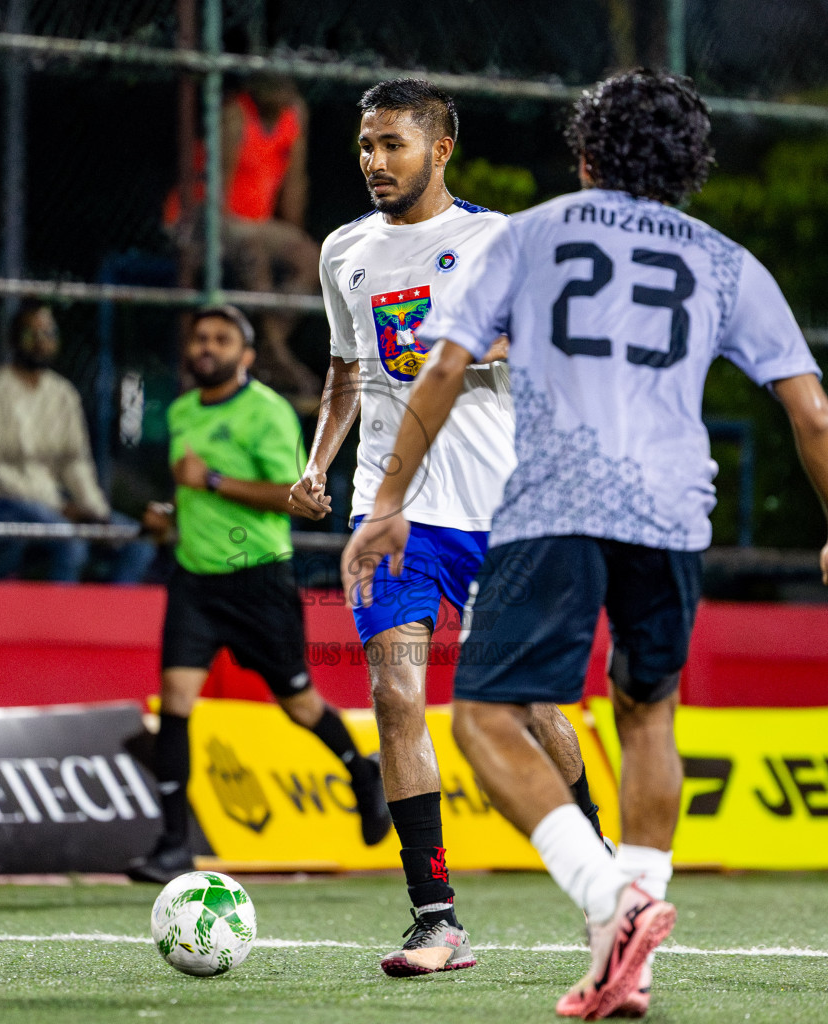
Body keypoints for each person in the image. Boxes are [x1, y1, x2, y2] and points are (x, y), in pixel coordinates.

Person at [343, 69, 828, 1019]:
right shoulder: (726, 261)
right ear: (691, 167)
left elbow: (440, 369)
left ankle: (611, 902)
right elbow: (811, 410)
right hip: (674, 514)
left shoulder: (532, 234)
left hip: (554, 505)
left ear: (587, 153)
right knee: (648, 717)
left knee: (483, 717)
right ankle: (625, 954)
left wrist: (388, 496)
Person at [289, 79, 604, 980]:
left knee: (531, 707)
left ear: (441, 147)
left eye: (392, 144)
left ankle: (605, 888)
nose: (373, 162)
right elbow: (348, 368)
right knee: (394, 694)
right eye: (364, 146)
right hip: (391, 516)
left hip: (499, 510)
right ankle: (436, 920)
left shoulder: (499, 240)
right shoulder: (344, 249)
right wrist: (319, 462)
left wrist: (488, 348)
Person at [128, 305, 390, 883]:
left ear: (246, 356)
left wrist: (213, 482)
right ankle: (173, 844)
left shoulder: (267, 413)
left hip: (259, 581)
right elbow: (195, 498)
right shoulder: (180, 412)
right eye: (199, 337)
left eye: (221, 339)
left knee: (299, 704)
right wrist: (168, 516)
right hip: (194, 579)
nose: (207, 346)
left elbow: (294, 497)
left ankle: (361, 770)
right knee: (175, 702)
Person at [0, 299, 157, 583]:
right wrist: (59, 508)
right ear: (14, 340)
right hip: (5, 501)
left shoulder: (63, 394)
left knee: (140, 545)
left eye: (49, 334)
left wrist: (96, 512)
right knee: (72, 545)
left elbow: (76, 463)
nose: (41, 342)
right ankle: (58, 626)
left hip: (56, 505)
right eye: (31, 334)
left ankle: (107, 622)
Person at [165, 74, 321, 405]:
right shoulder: (236, 115)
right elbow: (213, 196)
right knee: (253, 252)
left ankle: (267, 350)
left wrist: (292, 237)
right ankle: (274, 357)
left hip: (256, 226)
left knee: (312, 258)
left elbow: (294, 185)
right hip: (205, 218)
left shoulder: (294, 115)